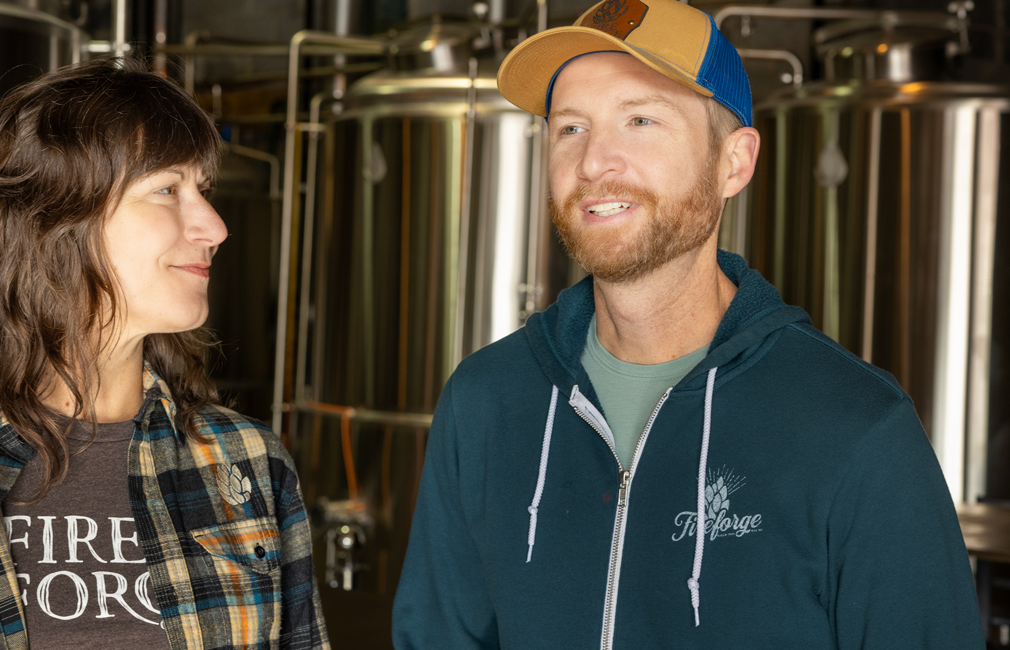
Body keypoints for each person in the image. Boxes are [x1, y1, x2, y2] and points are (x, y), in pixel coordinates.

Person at [392, 0, 984, 648]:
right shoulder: (485, 403)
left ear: (735, 162)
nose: (593, 163)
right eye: (569, 129)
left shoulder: (857, 431)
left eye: (640, 120)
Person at [0, 58, 329, 650]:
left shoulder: (248, 465)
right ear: (55, 220)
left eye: (202, 191)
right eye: (167, 189)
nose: (214, 225)